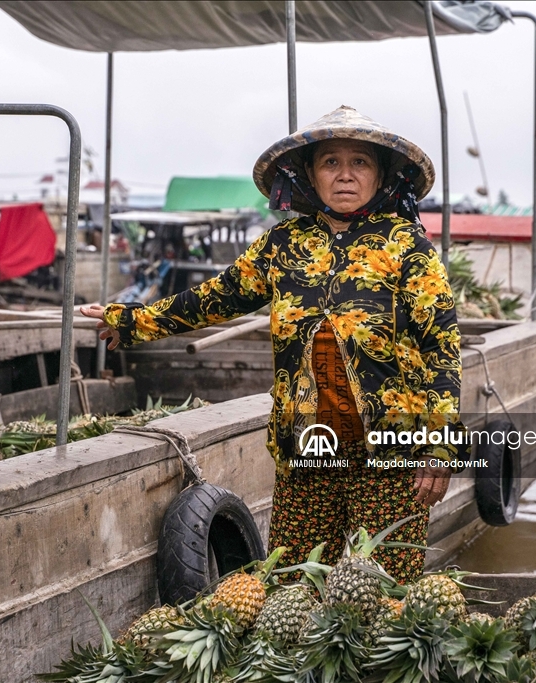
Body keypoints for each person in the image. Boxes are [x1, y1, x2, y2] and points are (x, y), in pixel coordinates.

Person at [81, 106, 461, 584]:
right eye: (330, 162)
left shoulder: (408, 247)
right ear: (309, 174)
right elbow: (214, 298)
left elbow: (440, 351)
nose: (345, 175)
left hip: (389, 457)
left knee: (383, 593)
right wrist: (132, 321)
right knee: (291, 587)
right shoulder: (283, 244)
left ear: (381, 174)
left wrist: (440, 446)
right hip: (307, 448)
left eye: (360, 162)